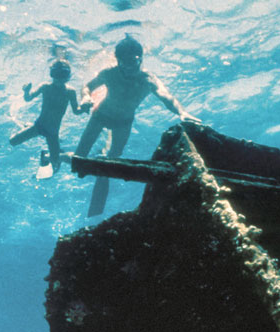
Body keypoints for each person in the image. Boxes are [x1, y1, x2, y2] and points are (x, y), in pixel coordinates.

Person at [75, 34, 201, 216]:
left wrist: (181, 112)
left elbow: (167, 97)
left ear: (140, 59)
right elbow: (87, 87)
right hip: (100, 116)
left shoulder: (147, 80)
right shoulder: (109, 73)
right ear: (118, 61)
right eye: (125, 62)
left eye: (134, 61)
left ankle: (102, 165)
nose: (130, 67)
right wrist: (86, 97)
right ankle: (69, 159)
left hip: (123, 123)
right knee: (80, 158)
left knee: (113, 158)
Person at [10, 59, 89, 173]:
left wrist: (84, 108)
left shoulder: (70, 92)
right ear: (52, 75)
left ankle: (47, 155)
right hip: (39, 126)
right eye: (56, 75)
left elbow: (76, 111)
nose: (59, 79)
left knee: (55, 162)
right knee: (12, 141)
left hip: (52, 132)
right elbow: (28, 98)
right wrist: (26, 91)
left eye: (62, 75)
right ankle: (28, 126)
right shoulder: (45, 87)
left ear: (68, 76)